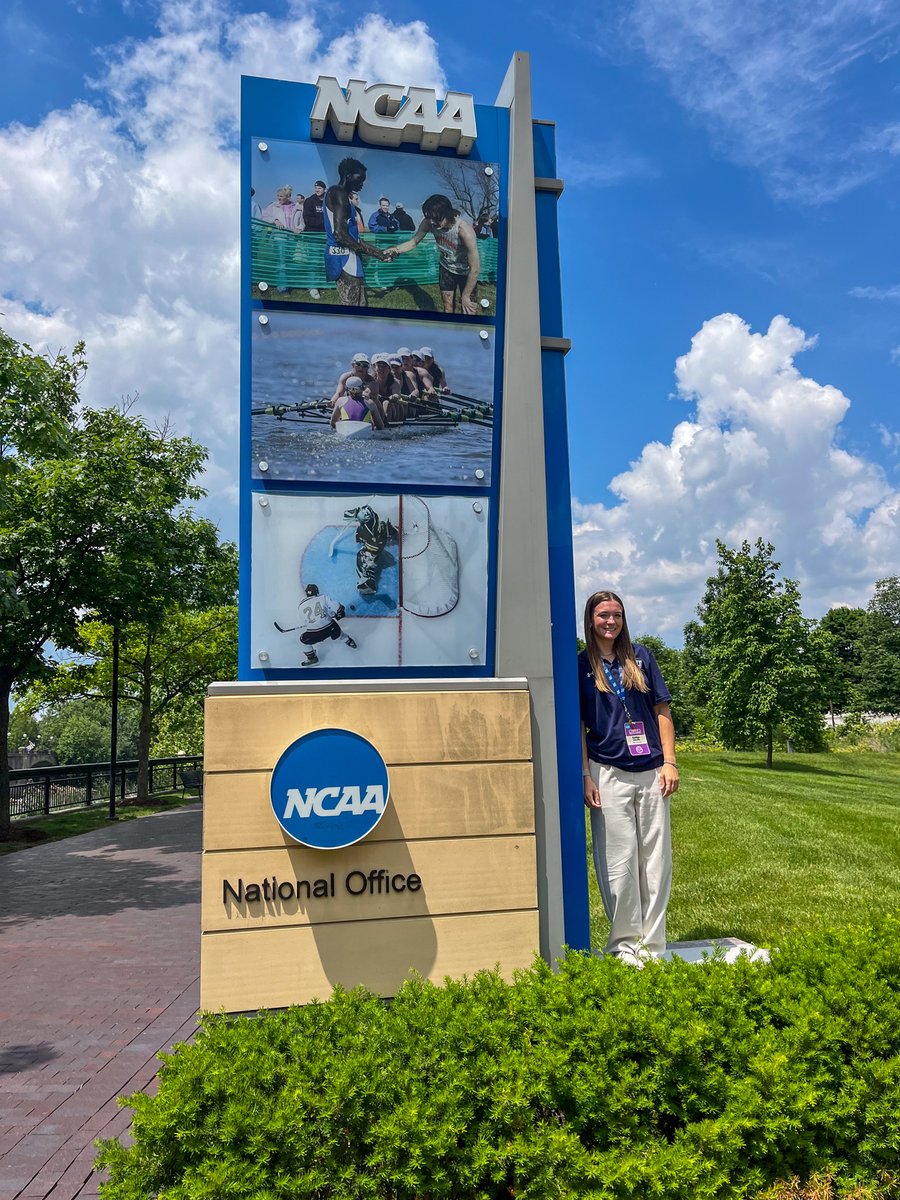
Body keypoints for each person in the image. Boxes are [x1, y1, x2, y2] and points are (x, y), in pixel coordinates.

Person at [579, 590, 679, 964]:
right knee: (619, 863)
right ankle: (624, 945)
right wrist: (585, 775)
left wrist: (670, 762)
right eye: (604, 615)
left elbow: (662, 711)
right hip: (607, 771)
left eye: (617, 615)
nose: (611, 621)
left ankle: (653, 946)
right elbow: (579, 725)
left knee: (656, 861)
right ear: (591, 620)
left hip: (652, 770)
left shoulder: (641, 657)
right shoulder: (581, 665)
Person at [390, 193, 480, 314]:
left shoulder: (464, 230)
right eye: (429, 218)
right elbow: (414, 242)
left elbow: (475, 268)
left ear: (447, 213)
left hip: (466, 271)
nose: (432, 222)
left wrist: (465, 296)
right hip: (446, 268)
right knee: (448, 307)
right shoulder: (429, 222)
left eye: (436, 218)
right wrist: (394, 250)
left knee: (468, 310)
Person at [323, 159, 393, 306]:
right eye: (360, 179)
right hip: (343, 259)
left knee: (360, 304)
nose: (362, 184)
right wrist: (371, 252)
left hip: (350, 257)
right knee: (352, 308)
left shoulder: (345, 198)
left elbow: (354, 238)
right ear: (348, 175)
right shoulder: (338, 192)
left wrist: (379, 254)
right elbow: (340, 235)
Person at [279, 583, 357, 667]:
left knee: (303, 640)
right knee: (336, 630)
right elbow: (337, 607)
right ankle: (348, 641)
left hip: (314, 634)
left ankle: (312, 658)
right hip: (331, 629)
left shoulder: (301, 605)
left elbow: (305, 621)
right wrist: (339, 613)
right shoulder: (323, 597)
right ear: (316, 591)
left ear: (307, 593)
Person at [329, 354, 385, 430]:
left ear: (368, 367)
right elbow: (339, 393)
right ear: (352, 365)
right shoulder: (345, 377)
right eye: (358, 364)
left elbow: (365, 394)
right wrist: (332, 401)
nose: (361, 367)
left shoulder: (372, 382)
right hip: (352, 405)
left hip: (371, 410)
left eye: (365, 365)